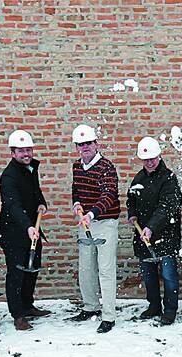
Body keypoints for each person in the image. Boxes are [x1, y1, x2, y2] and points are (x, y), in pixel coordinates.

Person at [69, 124, 121, 334]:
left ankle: (108, 315)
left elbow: (109, 195)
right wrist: (77, 205)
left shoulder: (106, 167)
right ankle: (90, 307)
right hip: (85, 222)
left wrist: (92, 214)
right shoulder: (76, 166)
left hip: (105, 222)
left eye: (88, 143)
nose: (85, 147)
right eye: (81, 145)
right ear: (76, 147)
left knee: (106, 270)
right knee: (86, 268)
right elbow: (76, 188)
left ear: (96, 144)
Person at [128, 136, 181, 325]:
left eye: (152, 158)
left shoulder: (169, 179)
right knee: (148, 274)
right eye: (145, 159)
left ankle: (170, 310)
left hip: (165, 235)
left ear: (159, 156)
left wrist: (151, 227)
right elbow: (131, 199)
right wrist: (132, 214)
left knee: (168, 276)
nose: (149, 163)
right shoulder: (138, 178)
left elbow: (167, 207)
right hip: (144, 236)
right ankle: (154, 306)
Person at [0, 129, 48, 331]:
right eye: (21, 151)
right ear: (13, 153)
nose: (26, 154)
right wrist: (27, 226)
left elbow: (35, 191)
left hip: (30, 228)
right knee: (17, 272)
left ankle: (27, 305)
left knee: (32, 268)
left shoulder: (31, 169)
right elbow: (13, 205)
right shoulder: (9, 176)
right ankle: (17, 314)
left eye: (28, 149)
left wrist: (41, 203)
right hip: (13, 231)